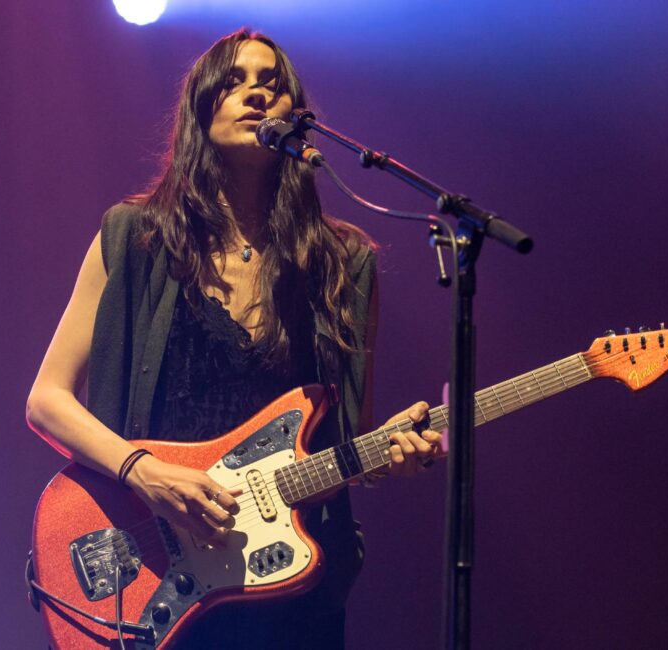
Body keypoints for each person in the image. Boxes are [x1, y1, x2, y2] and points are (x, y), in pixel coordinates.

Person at [26, 28, 441, 649]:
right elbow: (46, 400)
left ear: (295, 118)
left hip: (287, 590)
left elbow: (344, 443)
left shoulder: (342, 263)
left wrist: (392, 452)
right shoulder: (136, 237)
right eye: (234, 82)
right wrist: (145, 472)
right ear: (200, 110)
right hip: (159, 575)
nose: (255, 95)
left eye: (272, 85)